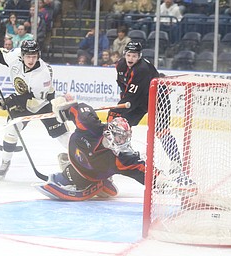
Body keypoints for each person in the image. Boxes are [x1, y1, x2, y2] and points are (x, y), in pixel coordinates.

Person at [0, 39, 71, 178]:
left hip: (43, 102)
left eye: (34, 56)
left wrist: (11, 100)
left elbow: (34, 101)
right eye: (28, 56)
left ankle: (84, 157)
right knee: (11, 129)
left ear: (38, 55)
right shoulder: (15, 56)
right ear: (22, 55)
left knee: (61, 134)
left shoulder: (43, 73)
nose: (31, 60)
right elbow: (1, 55)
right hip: (23, 100)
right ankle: (5, 161)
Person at [107, 41, 195, 188]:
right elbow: (123, 85)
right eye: (129, 55)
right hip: (141, 99)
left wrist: (117, 110)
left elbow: (131, 97)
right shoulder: (121, 65)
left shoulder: (141, 69)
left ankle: (176, 163)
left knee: (162, 131)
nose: (131, 58)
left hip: (159, 99)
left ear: (139, 56)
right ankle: (124, 152)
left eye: (134, 56)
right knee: (122, 124)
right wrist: (119, 109)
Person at [35, 97, 145, 201]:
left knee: (85, 175)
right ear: (109, 134)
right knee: (74, 173)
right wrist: (64, 108)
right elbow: (78, 109)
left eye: (125, 138)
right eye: (120, 138)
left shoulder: (123, 158)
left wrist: (159, 180)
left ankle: (93, 179)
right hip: (76, 155)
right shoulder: (90, 125)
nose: (122, 141)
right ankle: (68, 170)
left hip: (91, 174)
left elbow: (142, 170)